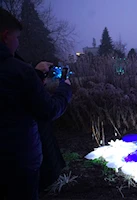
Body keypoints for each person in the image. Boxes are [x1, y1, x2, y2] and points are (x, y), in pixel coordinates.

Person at [0, 8, 72, 200]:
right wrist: (65, 89)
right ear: (6, 36)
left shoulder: (19, 72)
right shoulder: (20, 71)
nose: (18, 43)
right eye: (17, 38)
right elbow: (48, 110)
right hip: (18, 161)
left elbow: (11, 91)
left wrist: (36, 74)